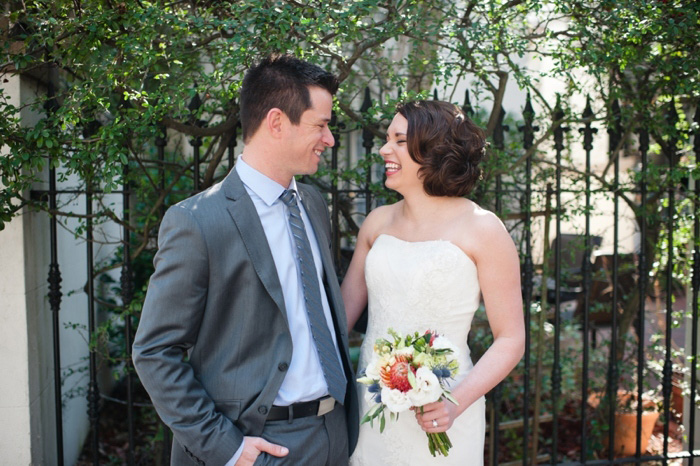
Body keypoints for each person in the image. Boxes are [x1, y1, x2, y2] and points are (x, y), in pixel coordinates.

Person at [132, 54, 359, 466]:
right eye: (321, 125)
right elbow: (153, 351)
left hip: (335, 434)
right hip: (258, 443)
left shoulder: (311, 203)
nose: (329, 139)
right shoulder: (196, 221)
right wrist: (228, 448)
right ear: (276, 122)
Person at [342, 100, 525, 465]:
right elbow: (339, 319)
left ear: (433, 150)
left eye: (398, 140)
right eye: (386, 139)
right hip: (371, 408)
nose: (383, 149)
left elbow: (511, 338)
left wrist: (454, 404)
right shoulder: (377, 223)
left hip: (446, 407)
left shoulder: (484, 229)